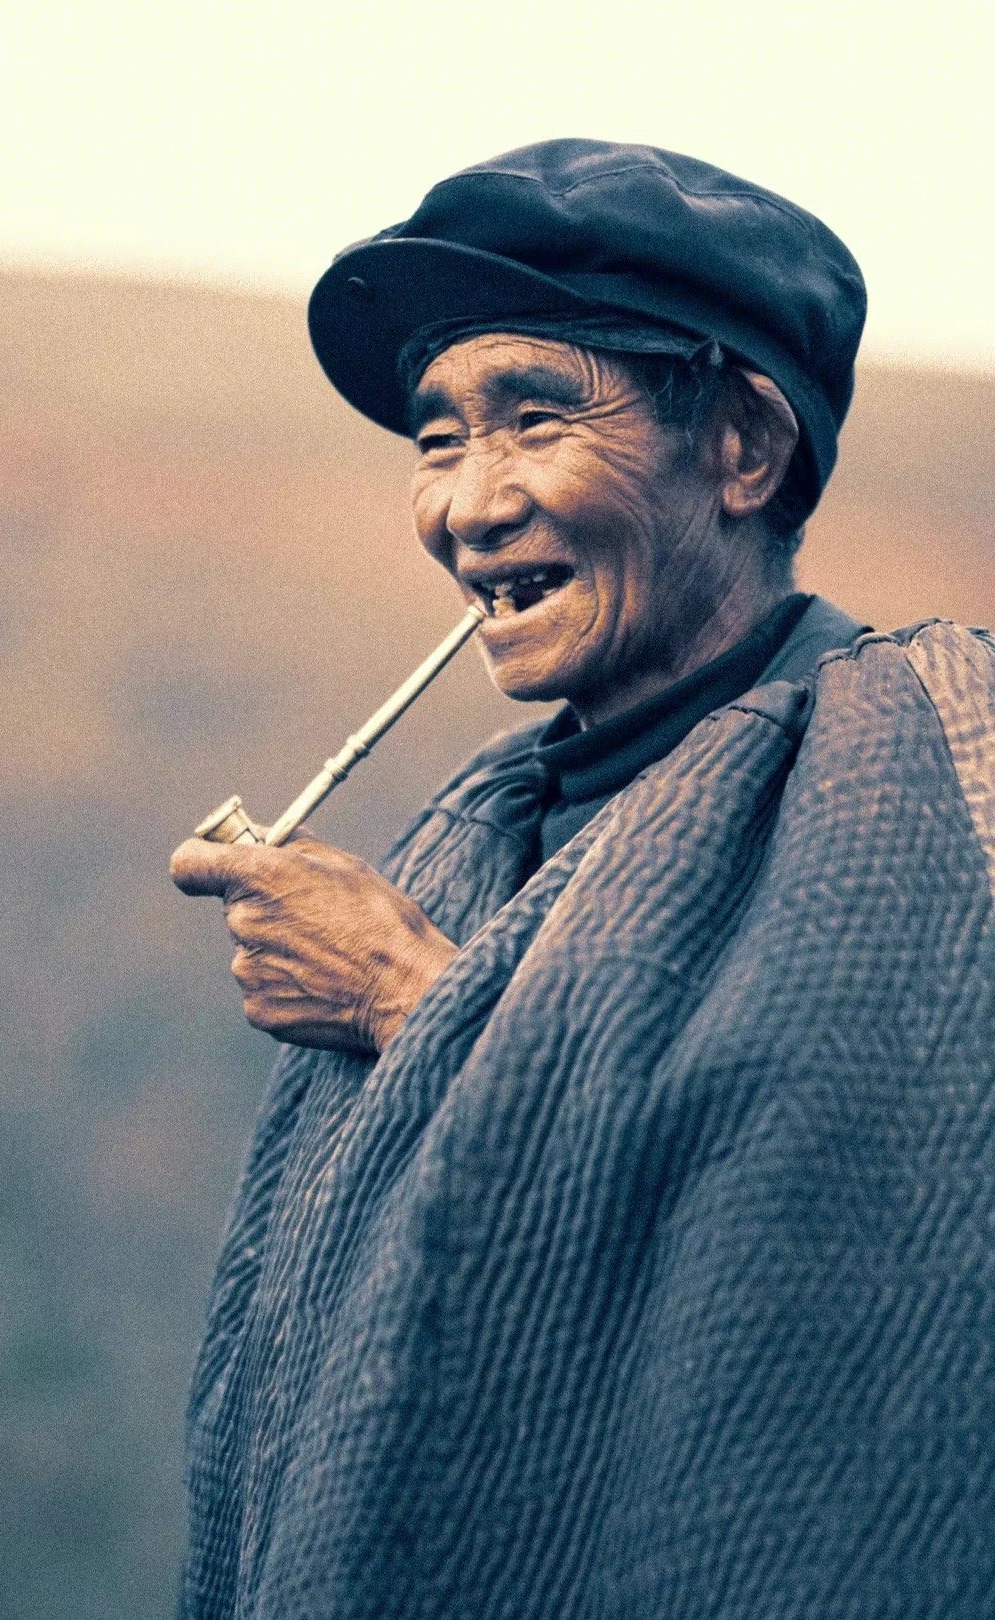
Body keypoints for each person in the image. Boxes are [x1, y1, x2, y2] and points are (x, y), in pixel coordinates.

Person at [171, 142, 995, 1619]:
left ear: (742, 449)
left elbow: (848, 1233)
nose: (469, 508)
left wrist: (410, 997)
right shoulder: (480, 830)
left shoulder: (932, 759)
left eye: (535, 419)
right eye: (437, 441)